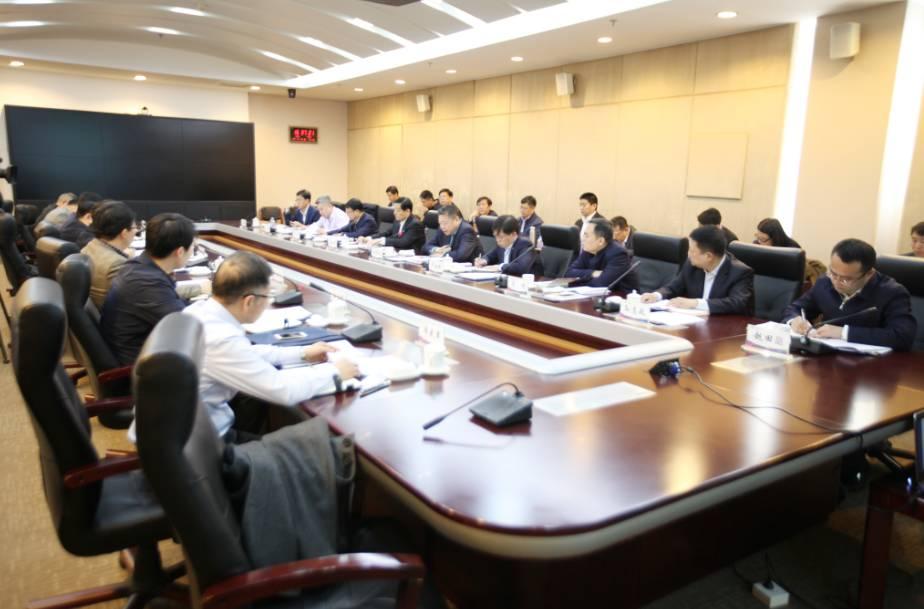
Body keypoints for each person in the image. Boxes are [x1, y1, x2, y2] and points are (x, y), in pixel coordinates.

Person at [178, 251, 359, 442]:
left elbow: (247, 352)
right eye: (267, 297)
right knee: (316, 447)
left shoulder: (198, 311)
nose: (267, 303)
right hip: (210, 445)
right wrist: (335, 372)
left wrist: (302, 353)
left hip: (192, 432)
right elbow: (283, 390)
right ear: (249, 301)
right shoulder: (222, 338)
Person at [100, 213, 202, 365]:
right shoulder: (146, 284)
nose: (193, 250)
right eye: (193, 247)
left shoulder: (138, 267)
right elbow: (186, 327)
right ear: (180, 252)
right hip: (139, 368)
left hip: (141, 352)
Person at [784, 238, 916, 350]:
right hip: (826, 357)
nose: (836, 282)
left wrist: (843, 332)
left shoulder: (892, 292)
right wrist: (794, 320)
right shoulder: (825, 282)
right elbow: (795, 308)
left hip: (872, 366)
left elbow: (902, 336)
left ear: (869, 274)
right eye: (833, 273)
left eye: (846, 279)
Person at [640, 225, 754, 315]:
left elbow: (737, 303)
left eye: (692, 251)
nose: (688, 254)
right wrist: (656, 295)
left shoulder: (740, 272)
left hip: (725, 328)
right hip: (694, 322)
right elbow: (674, 287)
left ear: (708, 256)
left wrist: (696, 303)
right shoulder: (692, 265)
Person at [81, 200, 137, 309]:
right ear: (124, 233)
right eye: (135, 227)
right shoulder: (117, 264)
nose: (136, 231)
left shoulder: (90, 246)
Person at [564, 218, 637, 290]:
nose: (582, 239)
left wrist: (578, 281)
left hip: (621, 295)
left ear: (601, 241)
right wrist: (593, 273)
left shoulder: (618, 254)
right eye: (583, 235)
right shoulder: (588, 250)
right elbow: (569, 273)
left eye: (586, 236)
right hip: (597, 293)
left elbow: (601, 283)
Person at [475, 215, 543, 277]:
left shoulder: (525, 245)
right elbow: (490, 256)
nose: (497, 240)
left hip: (527, 282)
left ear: (513, 234)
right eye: (495, 236)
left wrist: (500, 267)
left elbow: (521, 267)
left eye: (501, 237)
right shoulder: (501, 245)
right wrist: (483, 260)